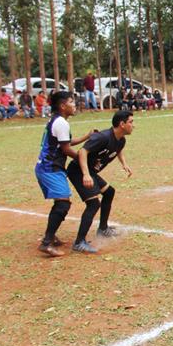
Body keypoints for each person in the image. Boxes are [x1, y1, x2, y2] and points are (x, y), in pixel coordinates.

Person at [34, 91, 94, 257]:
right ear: (62, 106)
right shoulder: (61, 123)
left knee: (61, 201)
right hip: (50, 168)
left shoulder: (57, 120)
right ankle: (46, 243)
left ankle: (51, 236)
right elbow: (66, 149)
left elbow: (65, 142)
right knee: (63, 204)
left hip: (47, 167)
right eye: (71, 102)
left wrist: (85, 137)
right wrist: (82, 159)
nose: (74, 105)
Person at [67, 110, 134, 254]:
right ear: (122, 124)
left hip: (89, 171)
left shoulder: (121, 139)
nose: (133, 125)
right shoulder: (102, 137)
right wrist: (86, 174)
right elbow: (82, 152)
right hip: (77, 170)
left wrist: (124, 164)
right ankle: (79, 242)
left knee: (109, 192)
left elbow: (118, 149)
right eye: (131, 122)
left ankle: (103, 229)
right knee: (93, 203)